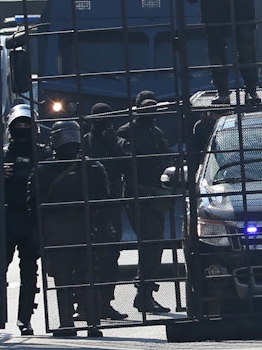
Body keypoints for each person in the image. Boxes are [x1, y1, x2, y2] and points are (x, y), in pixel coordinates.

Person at [33, 121, 113, 337]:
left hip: (58, 231)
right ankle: (93, 324)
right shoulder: (92, 167)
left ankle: (68, 323)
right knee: (87, 276)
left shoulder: (45, 169)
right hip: (84, 228)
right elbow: (104, 202)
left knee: (63, 279)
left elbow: (34, 204)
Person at [0, 105, 44, 335]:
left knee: (30, 273)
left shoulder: (43, 153)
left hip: (31, 219)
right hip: (5, 220)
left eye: (26, 125)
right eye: (18, 125)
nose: (22, 129)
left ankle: (25, 319)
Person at [116, 94, 175, 314]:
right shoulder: (127, 132)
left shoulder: (156, 132)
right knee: (150, 243)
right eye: (147, 107)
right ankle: (144, 293)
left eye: (154, 106)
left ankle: (146, 293)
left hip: (156, 195)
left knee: (155, 244)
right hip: (137, 194)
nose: (151, 111)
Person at [77, 104, 128, 322]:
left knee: (111, 255)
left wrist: (113, 144)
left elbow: (128, 165)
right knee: (84, 257)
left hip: (110, 203)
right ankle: (84, 305)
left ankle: (105, 302)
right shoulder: (85, 142)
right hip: (87, 205)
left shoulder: (116, 142)